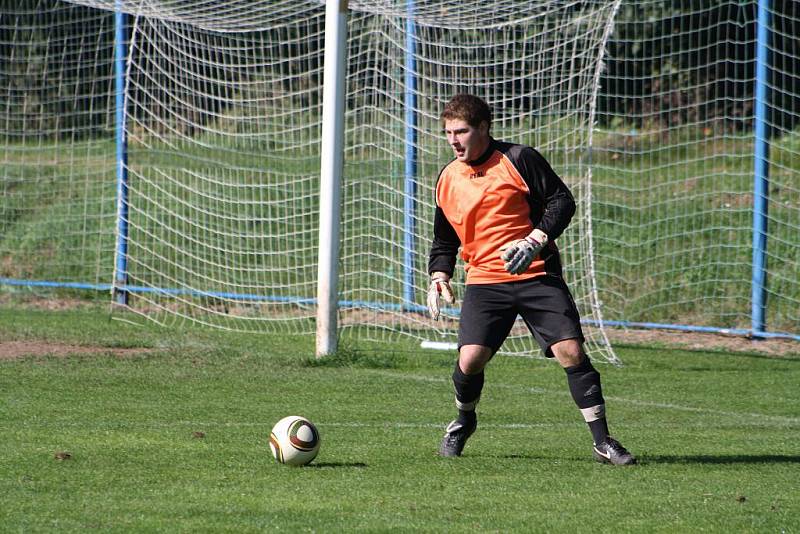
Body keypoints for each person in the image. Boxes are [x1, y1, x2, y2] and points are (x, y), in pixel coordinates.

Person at [426, 94, 635, 465]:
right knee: (470, 360)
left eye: (461, 131)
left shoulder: (519, 159)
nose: (454, 140)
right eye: (448, 133)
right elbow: (445, 237)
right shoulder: (447, 178)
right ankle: (463, 421)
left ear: (484, 129)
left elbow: (562, 201)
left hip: (536, 274)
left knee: (570, 352)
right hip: (485, 281)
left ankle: (603, 441)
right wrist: (439, 274)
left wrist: (535, 239)